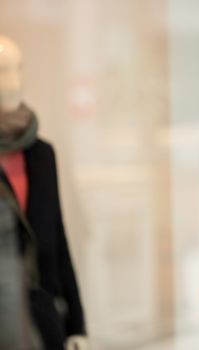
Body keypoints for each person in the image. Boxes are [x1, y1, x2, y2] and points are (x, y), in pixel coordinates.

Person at [0, 35, 88, 350]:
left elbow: (58, 239)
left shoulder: (41, 154)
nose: (13, 82)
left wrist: (76, 325)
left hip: (44, 322)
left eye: (18, 69)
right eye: (2, 71)